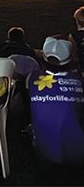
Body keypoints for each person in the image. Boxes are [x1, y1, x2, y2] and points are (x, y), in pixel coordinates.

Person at [27, 37, 84, 165]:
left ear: (43, 60)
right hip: (79, 152)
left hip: (42, 150)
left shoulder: (32, 79)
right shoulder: (80, 81)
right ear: (70, 61)